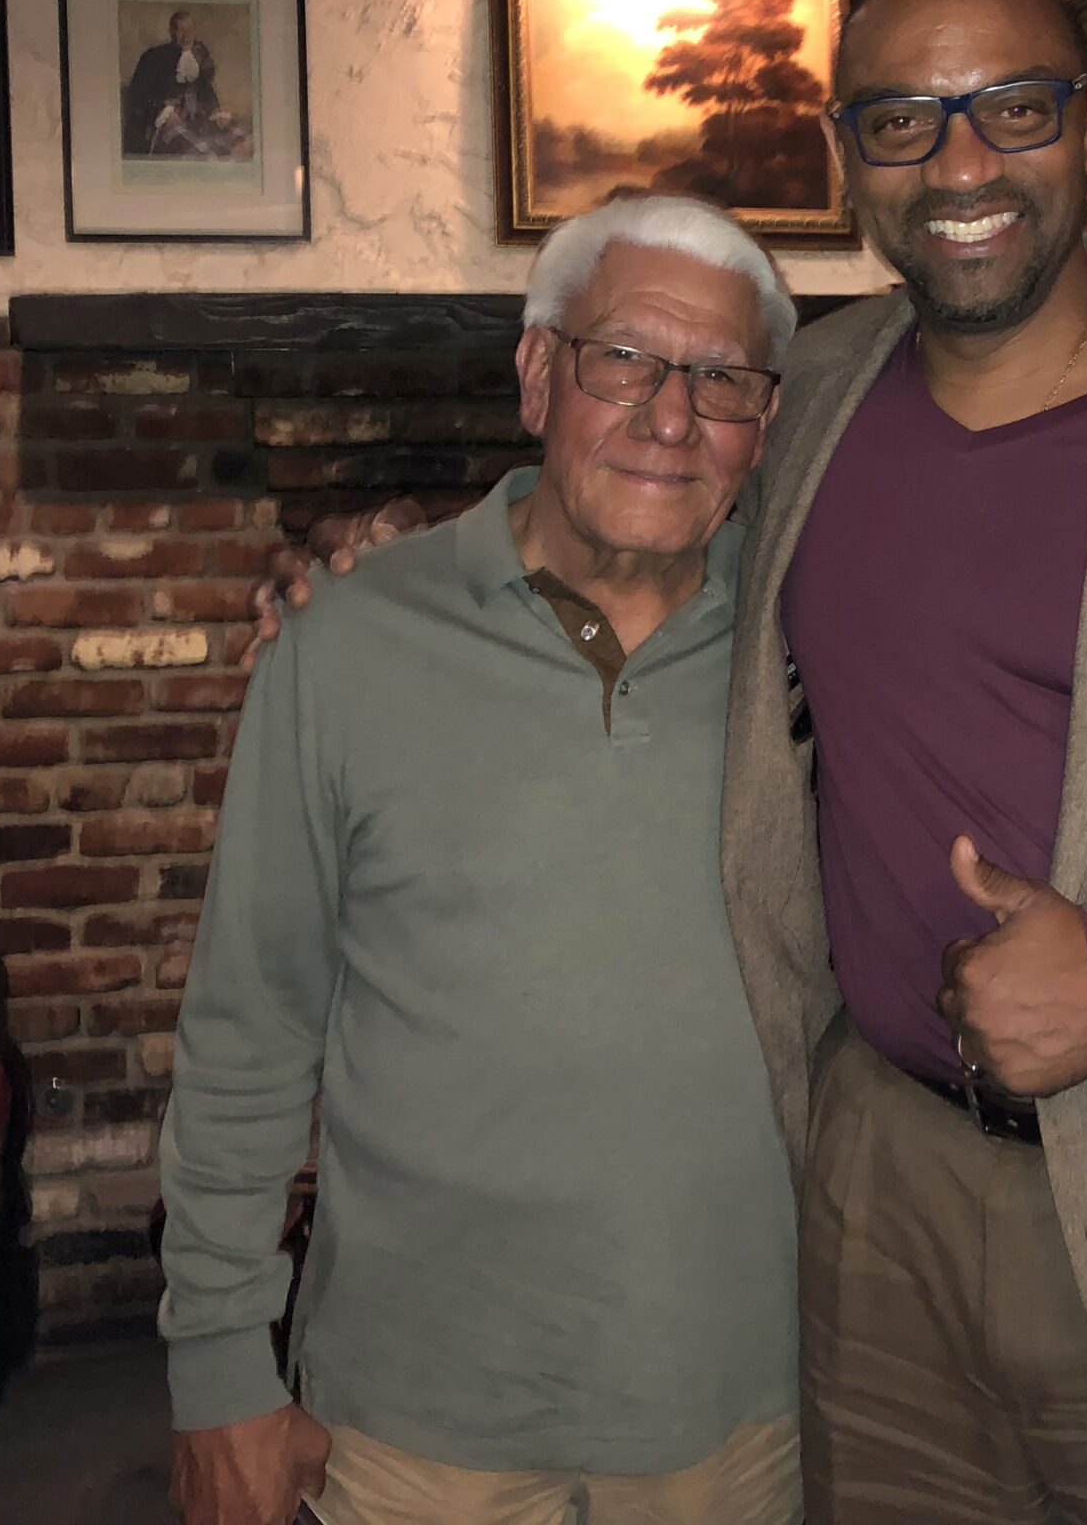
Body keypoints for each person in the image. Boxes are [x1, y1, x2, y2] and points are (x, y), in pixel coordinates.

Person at [264, 0, 1087, 1525]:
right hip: (871, 1201)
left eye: (1013, 107)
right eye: (903, 120)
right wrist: (394, 570)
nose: (961, 164)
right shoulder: (800, 399)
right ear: (848, 159)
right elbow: (623, 519)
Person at [166, 195, 803, 1525]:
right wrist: (219, 1361)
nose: (671, 417)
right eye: (622, 358)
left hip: (738, 1413)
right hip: (412, 1417)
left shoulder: (819, 643)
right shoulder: (346, 646)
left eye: (721, 380)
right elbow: (249, 1025)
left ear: (764, 422)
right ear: (535, 373)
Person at [125, 8, 228, 156]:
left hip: (197, 122)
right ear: (172, 32)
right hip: (163, 124)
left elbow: (206, 90)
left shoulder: (200, 56)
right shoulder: (153, 58)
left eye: (189, 30)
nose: (186, 36)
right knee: (204, 154)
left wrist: (216, 111)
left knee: (230, 146)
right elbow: (139, 96)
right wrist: (165, 111)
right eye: (181, 30)